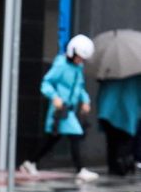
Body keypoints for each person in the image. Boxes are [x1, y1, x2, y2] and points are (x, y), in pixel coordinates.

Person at [20, 34, 99, 182]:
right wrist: (55, 97)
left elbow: (79, 87)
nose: (80, 61)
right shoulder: (61, 65)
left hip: (68, 109)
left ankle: (30, 162)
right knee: (75, 134)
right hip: (59, 110)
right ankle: (80, 169)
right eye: (79, 57)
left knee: (51, 139)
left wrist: (85, 101)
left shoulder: (77, 68)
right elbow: (46, 83)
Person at [96, 74, 141, 175]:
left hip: (108, 112)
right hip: (127, 113)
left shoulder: (109, 71)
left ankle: (113, 167)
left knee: (111, 141)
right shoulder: (136, 75)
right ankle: (122, 166)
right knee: (125, 141)